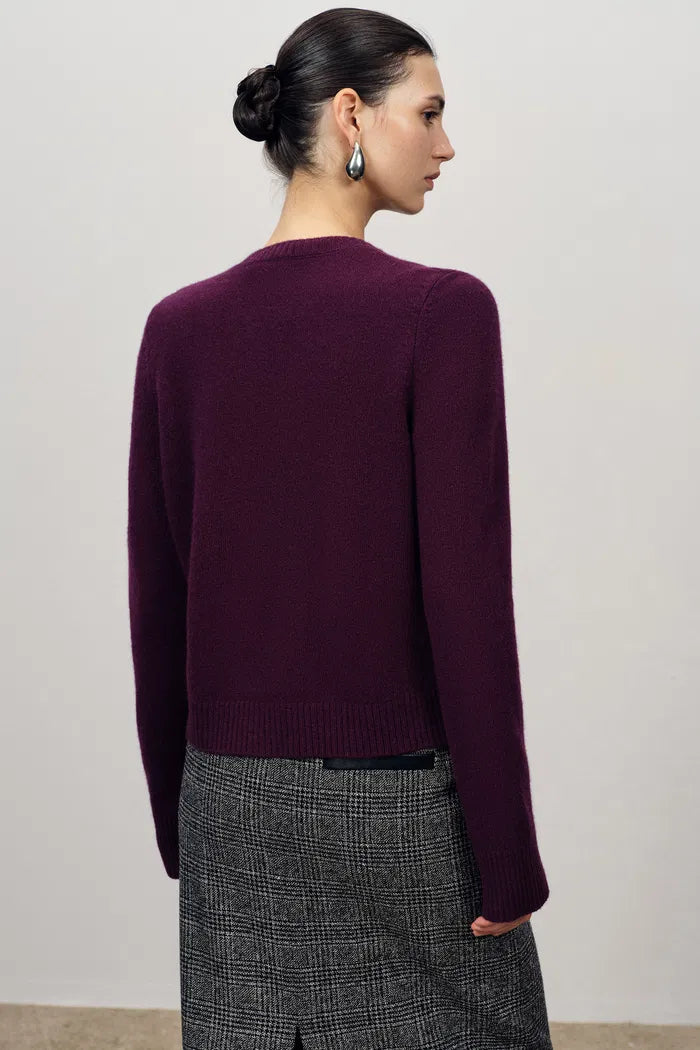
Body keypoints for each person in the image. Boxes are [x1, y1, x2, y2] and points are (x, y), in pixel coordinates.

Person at [127, 8, 554, 1049]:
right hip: (396, 810)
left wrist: (182, 814)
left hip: (228, 804)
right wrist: (506, 850)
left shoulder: (179, 329)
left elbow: (157, 593)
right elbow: (466, 597)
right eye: (431, 113)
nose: (446, 145)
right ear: (352, 115)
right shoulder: (442, 313)